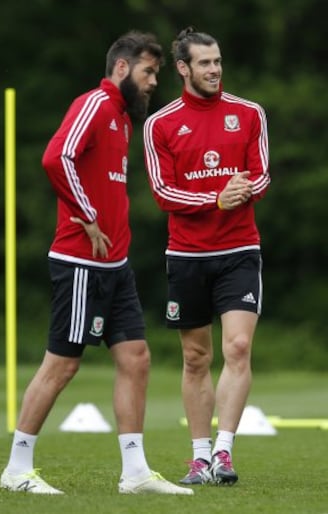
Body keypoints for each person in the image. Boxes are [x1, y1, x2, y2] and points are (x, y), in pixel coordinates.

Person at [0, 30, 193, 496]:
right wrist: (86, 216)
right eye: (148, 72)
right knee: (63, 365)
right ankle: (17, 469)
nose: (152, 82)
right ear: (122, 68)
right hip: (80, 262)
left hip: (115, 266)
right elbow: (56, 157)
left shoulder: (124, 120)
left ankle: (135, 474)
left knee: (136, 358)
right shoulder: (95, 104)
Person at [143, 27, 270, 486]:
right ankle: (198, 457)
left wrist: (245, 189)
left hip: (239, 250)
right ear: (183, 68)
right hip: (187, 255)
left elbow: (261, 175)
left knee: (237, 347)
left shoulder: (249, 113)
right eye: (204, 63)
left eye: (217, 61)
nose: (214, 69)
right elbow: (161, 192)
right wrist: (214, 199)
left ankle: (223, 453)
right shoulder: (160, 124)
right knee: (196, 358)